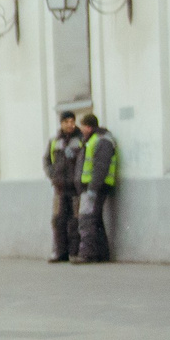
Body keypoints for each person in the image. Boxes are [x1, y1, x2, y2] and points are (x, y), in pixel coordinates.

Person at [78, 111, 119, 262]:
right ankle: (101, 254)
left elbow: (100, 167)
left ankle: (88, 254)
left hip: (95, 187)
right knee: (95, 219)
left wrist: (92, 190)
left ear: (88, 127)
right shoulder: (94, 139)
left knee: (87, 219)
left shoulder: (101, 140)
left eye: (82, 126)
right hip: (93, 186)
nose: (81, 129)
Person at [45, 111, 86, 263]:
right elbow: (47, 160)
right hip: (59, 188)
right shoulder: (55, 141)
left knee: (75, 220)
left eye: (72, 121)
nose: (70, 124)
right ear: (61, 123)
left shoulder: (81, 140)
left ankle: (73, 252)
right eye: (66, 121)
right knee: (58, 220)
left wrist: (79, 180)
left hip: (75, 188)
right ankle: (59, 252)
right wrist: (52, 175)